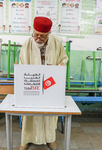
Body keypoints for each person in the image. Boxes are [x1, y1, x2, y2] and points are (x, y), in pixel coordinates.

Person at [19, 17, 68, 150]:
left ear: (49, 34)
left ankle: (50, 138)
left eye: (43, 36)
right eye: (36, 35)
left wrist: (61, 64)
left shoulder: (57, 42)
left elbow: (64, 58)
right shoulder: (27, 44)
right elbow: (22, 65)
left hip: (50, 84)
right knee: (29, 113)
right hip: (32, 84)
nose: (38, 38)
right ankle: (26, 139)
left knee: (50, 112)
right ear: (33, 31)